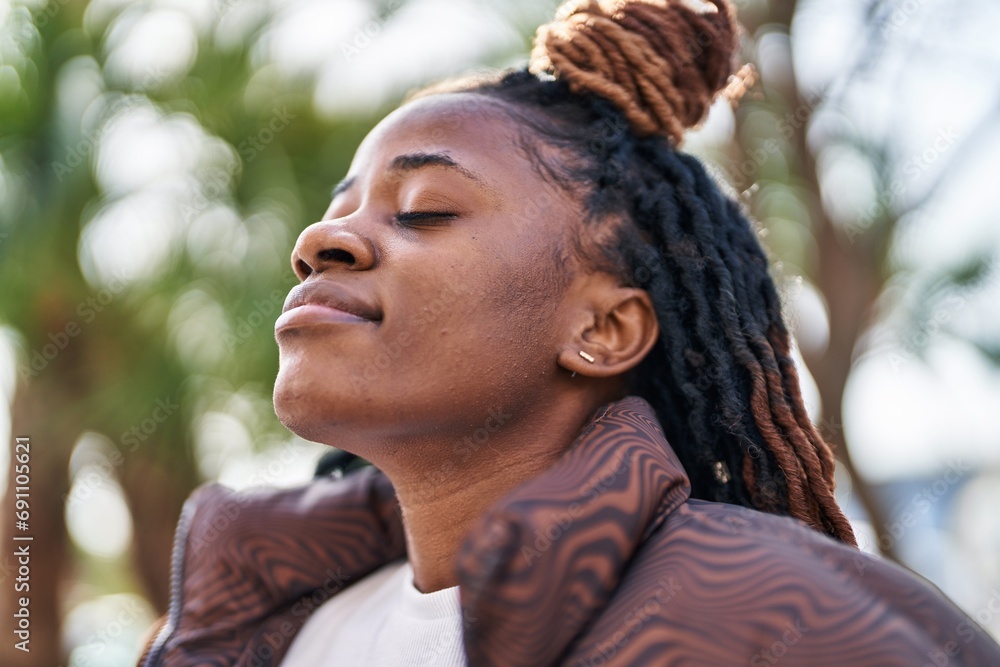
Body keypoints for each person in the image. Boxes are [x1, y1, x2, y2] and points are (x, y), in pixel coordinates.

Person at [139, 0, 1000, 665]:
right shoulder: (253, 627)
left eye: (424, 210)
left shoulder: (770, 618)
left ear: (606, 327)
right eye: (338, 210)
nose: (319, 242)